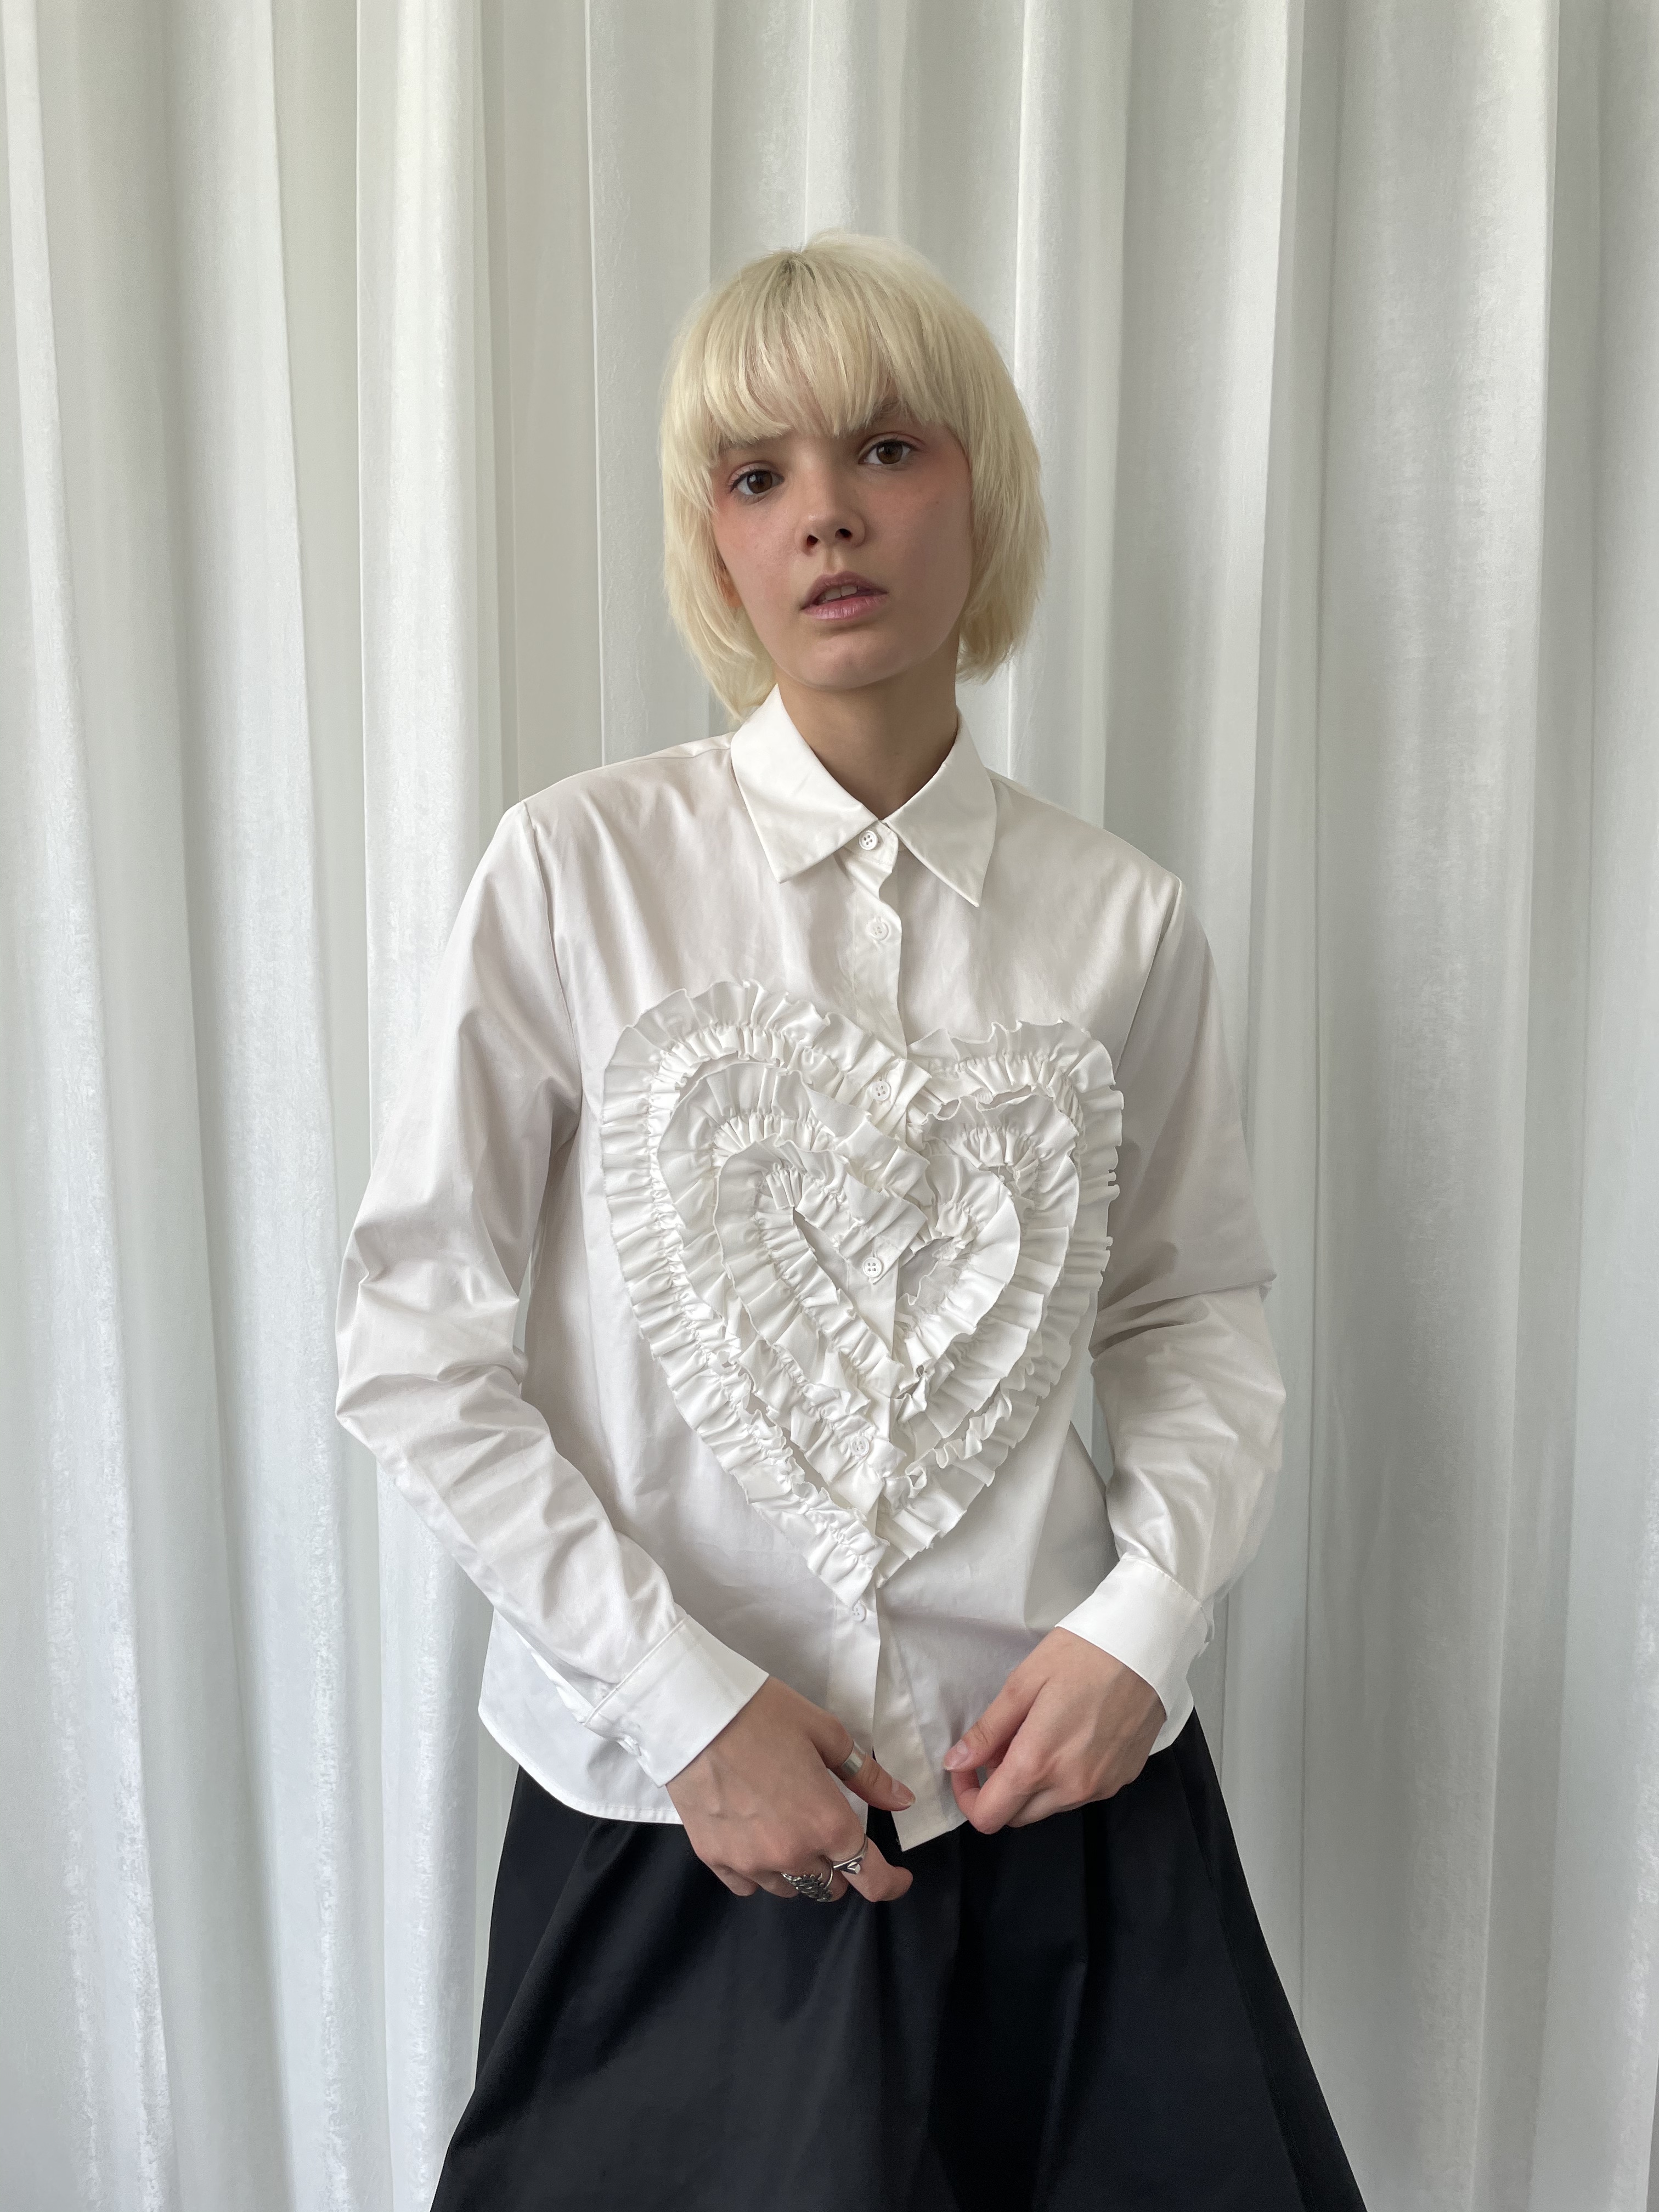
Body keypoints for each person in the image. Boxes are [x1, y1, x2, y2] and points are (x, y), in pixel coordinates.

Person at [335, 230, 1367, 2211]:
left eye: (888, 449)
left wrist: (1145, 1623)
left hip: (1060, 1814)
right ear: (714, 542)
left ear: (983, 491)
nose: (827, 514)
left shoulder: (1122, 920)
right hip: (671, 1823)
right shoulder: (573, 876)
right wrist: (681, 1699)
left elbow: (1189, 1313)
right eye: (759, 475)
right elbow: (415, 1342)